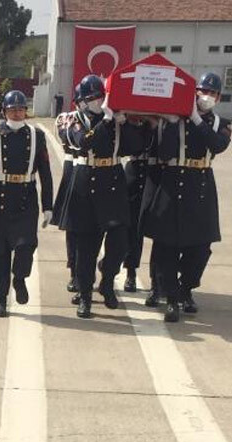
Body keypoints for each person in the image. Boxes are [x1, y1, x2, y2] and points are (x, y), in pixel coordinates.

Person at [142, 72, 232, 322]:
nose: (207, 96)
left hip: (201, 186)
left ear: (219, 97)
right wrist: (172, 123)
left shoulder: (222, 124)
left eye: (213, 93)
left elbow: (217, 145)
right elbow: (164, 153)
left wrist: (195, 119)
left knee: (200, 248)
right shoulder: (172, 120)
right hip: (173, 183)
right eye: (203, 91)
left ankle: (186, 288)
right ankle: (171, 298)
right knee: (167, 247)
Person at [62, 74, 146, 318]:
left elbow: (136, 146)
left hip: (113, 179)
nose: (97, 101)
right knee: (86, 247)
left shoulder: (117, 119)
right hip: (86, 180)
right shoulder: (74, 119)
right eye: (91, 98)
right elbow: (84, 142)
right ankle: (85, 296)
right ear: (82, 101)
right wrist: (107, 121)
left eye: (100, 96)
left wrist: (127, 123)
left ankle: (107, 279)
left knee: (121, 242)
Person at [0, 90, 53, 317]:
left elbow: (45, 173)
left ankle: (19, 278)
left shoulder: (37, 136)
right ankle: (0, 299)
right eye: (12, 109)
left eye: (21, 109)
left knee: (27, 245)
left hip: (26, 197)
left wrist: (48, 205)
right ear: (3, 111)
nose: (17, 113)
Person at [52, 82, 83, 295]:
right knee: (73, 228)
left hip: (99, 174)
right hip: (73, 170)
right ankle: (74, 270)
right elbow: (69, 138)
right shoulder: (66, 118)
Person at [122, 115, 157, 295]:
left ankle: (157, 279)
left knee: (159, 231)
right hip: (135, 170)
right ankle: (131, 272)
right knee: (132, 228)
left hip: (156, 171)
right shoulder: (131, 118)